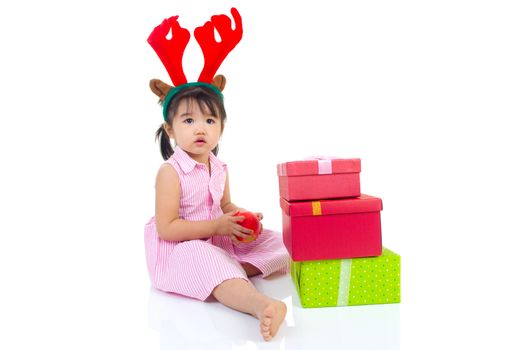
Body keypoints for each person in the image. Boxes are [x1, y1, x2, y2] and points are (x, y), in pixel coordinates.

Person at [144, 79, 290, 341]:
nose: (200, 128)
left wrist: (241, 218)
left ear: (222, 128)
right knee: (201, 254)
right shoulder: (170, 172)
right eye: (188, 121)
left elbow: (224, 206)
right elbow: (167, 228)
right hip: (182, 250)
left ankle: (228, 270)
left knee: (281, 241)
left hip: (219, 242)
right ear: (170, 129)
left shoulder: (220, 167)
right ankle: (260, 304)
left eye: (210, 121)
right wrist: (216, 226)